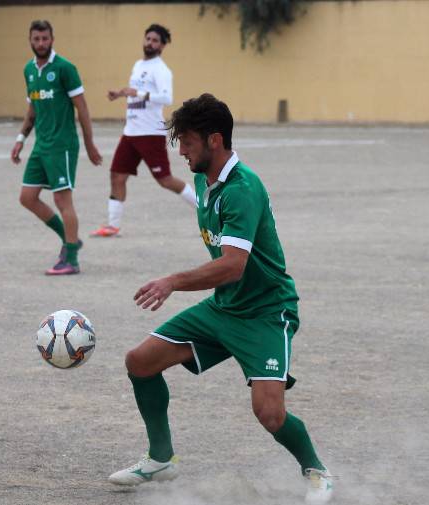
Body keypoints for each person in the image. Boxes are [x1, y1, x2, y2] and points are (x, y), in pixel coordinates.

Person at [108, 94, 333, 504]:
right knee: (139, 361)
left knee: (269, 413)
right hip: (224, 306)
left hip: (266, 311)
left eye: (188, 142)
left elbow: (233, 266)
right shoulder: (202, 179)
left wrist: (172, 281)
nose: (180, 151)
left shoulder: (243, 188)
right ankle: (161, 458)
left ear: (214, 140)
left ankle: (317, 471)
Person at [11, 19, 102, 275]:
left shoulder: (65, 68)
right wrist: (20, 139)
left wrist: (89, 143)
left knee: (62, 199)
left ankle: (71, 259)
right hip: (41, 145)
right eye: (36, 39)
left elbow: (81, 107)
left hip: (62, 145)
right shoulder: (29, 70)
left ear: (52, 39)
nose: (41, 43)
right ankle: (70, 238)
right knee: (27, 198)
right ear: (30, 40)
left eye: (45, 39)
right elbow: (32, 110)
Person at [90, 24, 197, 238]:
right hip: (131, 132)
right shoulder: (138, 65)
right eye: (148, 38)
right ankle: (112, 226)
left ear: (163, 45)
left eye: (155, 40)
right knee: (117, 176)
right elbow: (135, 92)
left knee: (165, 180)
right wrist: (120, 93)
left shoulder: (162, 70)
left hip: (150, 133)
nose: (150, 43)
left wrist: (138, 93)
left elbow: (166, 98)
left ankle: (204, 209)